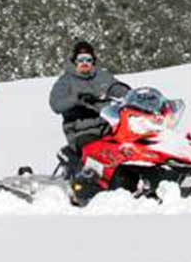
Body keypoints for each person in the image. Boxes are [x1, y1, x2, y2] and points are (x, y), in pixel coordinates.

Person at [48, 40, 130, 173]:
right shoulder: (66, 81)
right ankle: (91, 178)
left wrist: (127, 93)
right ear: (75, 61)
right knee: (97, 150)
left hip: (107, 125)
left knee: (129, 144)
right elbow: (56, 104)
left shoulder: (102, 76)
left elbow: (116, 88)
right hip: (81, 130)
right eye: (81, 60)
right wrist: (76, 99)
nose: (85, 63)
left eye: (88, 59)